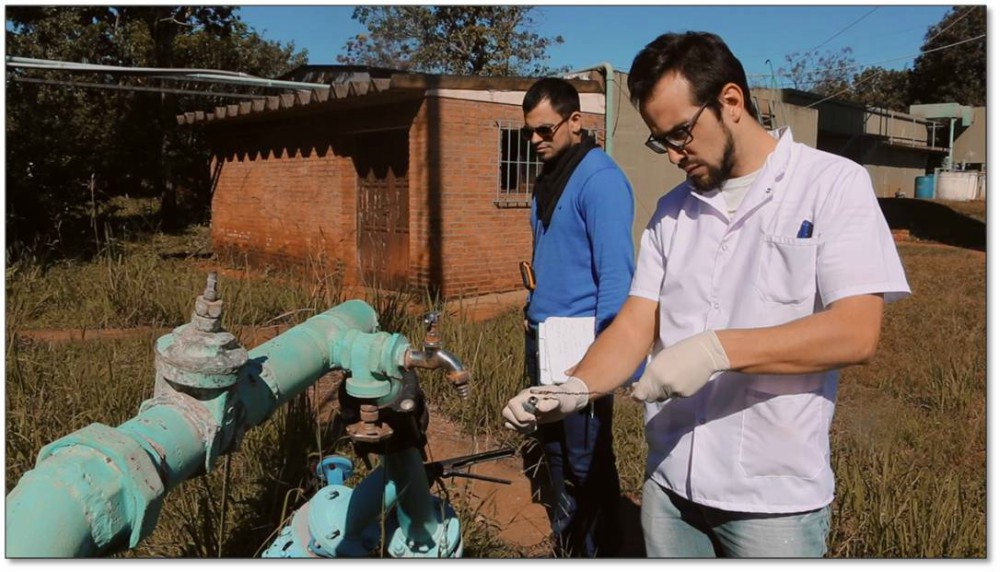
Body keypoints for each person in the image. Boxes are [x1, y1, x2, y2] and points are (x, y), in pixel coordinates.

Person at [503, 32, 911, 558]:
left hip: (772, 500)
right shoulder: (673, 211)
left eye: (681, 134)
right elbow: (635, 322)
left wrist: (716, 350)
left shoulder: (830, 185)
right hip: (670, 484)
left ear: (731, 102)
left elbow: (856, 331)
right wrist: (574, 389)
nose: (674, 155)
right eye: (661, 140)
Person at [517, 77, 636, 557]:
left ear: (575, 121)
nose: (535, 140)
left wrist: (604, 358)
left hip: (579, 344)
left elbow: (616, 277)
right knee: (556, 451)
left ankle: (599, 551)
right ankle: (570, 545)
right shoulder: (551, 178)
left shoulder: (599, 180)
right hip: (543, 335)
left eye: (544, 130)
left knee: (586, 460)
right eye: (529, 132)